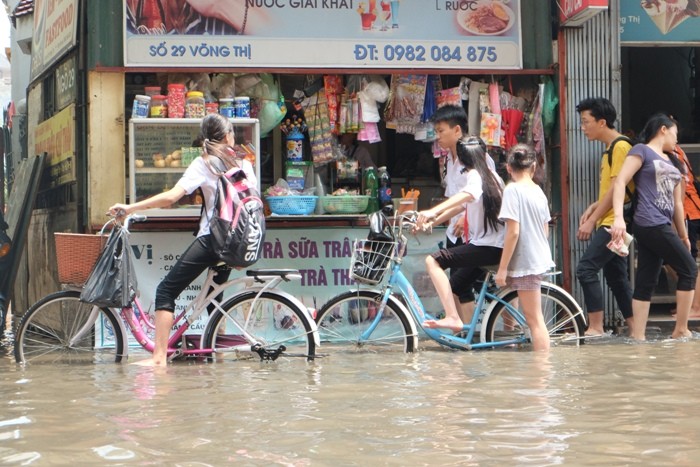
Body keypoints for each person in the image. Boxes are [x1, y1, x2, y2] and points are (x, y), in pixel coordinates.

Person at [109, 114, 257, 366]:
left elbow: (171, 197)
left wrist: (130, 208)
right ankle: (216, 356)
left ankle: (158, 358)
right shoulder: (244, 164)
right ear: (228, 136)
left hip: (213, 239)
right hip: (238, 240)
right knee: (213, 298)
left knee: (166, 290)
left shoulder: (205, 164)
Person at [610, 113, 696, 341]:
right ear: (663, 129)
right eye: (675, 133)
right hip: (649, 221)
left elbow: (678, 203)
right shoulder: (641, 151)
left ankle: (637, 337)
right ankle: (681, 329)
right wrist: (618, 217)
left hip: (662, 225)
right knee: (689, 269)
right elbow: (620, 181)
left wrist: (683, 235)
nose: (677, 140)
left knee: (647, 279)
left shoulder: (674, 161)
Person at [417, 137, 505, 332]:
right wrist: (434, 221)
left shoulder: (475, 175)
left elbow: (468, 195)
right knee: (455, 286)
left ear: (463, 161)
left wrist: (432, 211)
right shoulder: (491, 176)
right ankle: (467, 334)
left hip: (486, 247)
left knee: (433, 261)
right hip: (491, 247)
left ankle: (452, 318)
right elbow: (461, 206)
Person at [574, 97, 634, 336]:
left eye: (586, 121)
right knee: (617, 277)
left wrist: (591, 220)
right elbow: (612, 191)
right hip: (611, 221)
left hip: (614, 224)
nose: (583, 127)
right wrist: (593, 206)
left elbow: (616, 190)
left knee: (586, 269)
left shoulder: (620, 147)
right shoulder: (610, 149)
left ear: (602, 122)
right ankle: (635, 327)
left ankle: (596, 327)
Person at [494, 144, 555, 351]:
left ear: (509, 168)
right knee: (531, 316)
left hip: (526, 261)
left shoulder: (512, 190)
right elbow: (545, 230)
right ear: (534, 166)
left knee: (535, 320)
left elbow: (513, 232)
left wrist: (502, 268)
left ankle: (541, 373)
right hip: (537, 257)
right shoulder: (538, 191)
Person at [670, 144, 700, 317]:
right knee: (683, 261)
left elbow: (680, 186)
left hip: (689, 212)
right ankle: (689, 303)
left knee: (689, 261)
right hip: (690, 209)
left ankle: (695, 306)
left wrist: (678, 219)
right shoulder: (678, 150)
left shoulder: (673, 152)